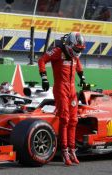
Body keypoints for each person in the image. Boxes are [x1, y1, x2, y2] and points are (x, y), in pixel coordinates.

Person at [38, 32, 87, 166]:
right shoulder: (58, 51)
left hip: (72, 89)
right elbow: (42, 60)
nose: (78, 51)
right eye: (77, 49)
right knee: (64, 119)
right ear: (70, 45)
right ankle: (64, 150)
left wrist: (82, 78)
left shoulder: (74, 56)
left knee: (74, 120)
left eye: (80, 49)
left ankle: (72, 149)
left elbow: (78, 64)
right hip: (60, 88)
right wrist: (44, 78)